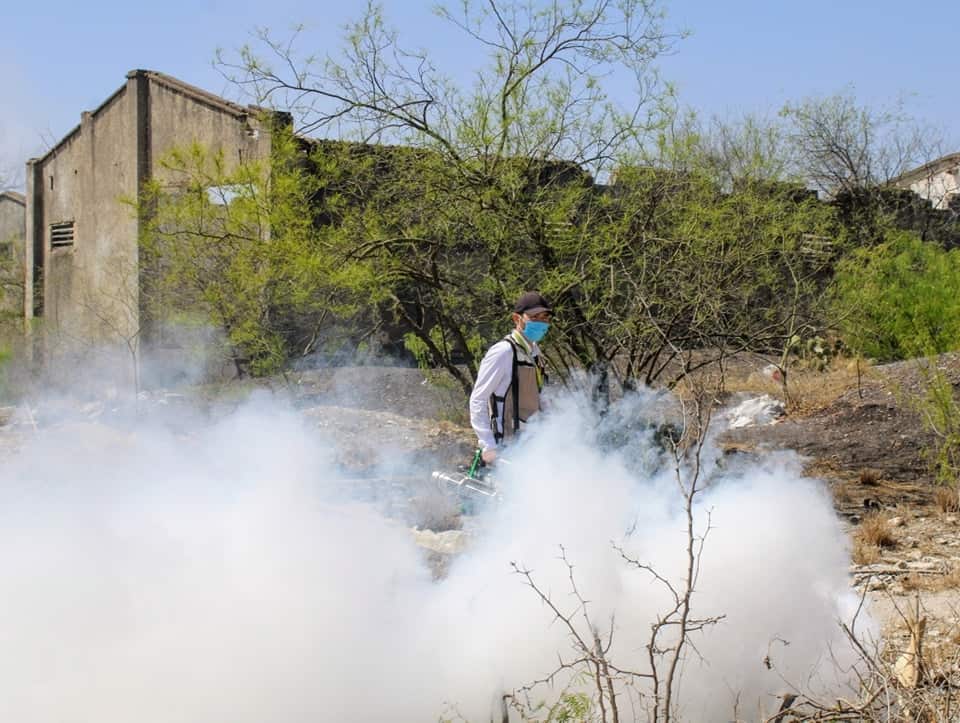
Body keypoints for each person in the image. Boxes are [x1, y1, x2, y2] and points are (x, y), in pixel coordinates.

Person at [469, 291, 551, 465]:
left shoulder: (536, 355)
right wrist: (488, 445)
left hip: (532, 448)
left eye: (545, 318)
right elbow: (478, 399)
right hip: (505, 448)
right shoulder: (504, 352)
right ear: (517, 319)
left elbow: (539, 399)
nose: (542, 323)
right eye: (535, 317)